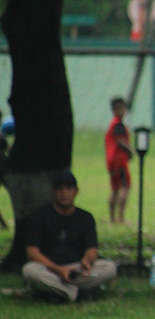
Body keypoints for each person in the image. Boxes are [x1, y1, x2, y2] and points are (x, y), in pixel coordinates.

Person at [22, 171, 118, 302]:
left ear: (76, 191)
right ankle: (76, 293)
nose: (64, 193)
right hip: (49, 269)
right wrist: (58, 269)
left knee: (109, 268)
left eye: (68, 188)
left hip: (76, 270)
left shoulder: (85, 218)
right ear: (53, 192)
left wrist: (86, 261)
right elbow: (32, 252)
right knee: (30, 271)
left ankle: (56, 292)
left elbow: (92, 249)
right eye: (60, 189)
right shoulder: (40, 217)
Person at [104, 96, 134, 224]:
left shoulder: (112, 124)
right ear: (115, 110)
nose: (123, 111)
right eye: (121, 108)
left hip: (111, 161)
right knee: (125, 187)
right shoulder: (118, 124)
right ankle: (120, 218)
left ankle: (112, 219)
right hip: (119, 161)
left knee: (115, 189)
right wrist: (130, 150)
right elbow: (120, 141)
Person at [0, 112, 13, 230]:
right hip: (3, 169)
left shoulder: (2, 135)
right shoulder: (1, 136)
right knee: (14, 192)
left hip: (3, 169)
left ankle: (3, 223)